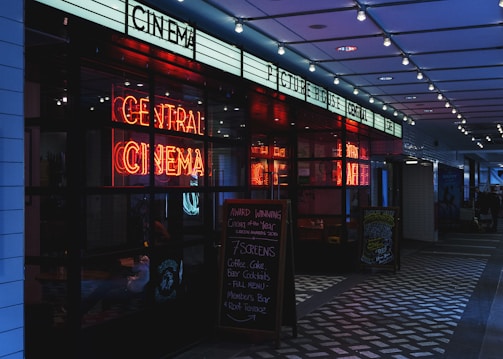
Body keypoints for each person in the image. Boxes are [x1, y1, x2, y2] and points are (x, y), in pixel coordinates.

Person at [81, 255, 150, 314]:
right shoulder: (144, 267)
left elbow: (136, 269)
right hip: (134, 283)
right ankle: (91, 307)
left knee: (105, 286)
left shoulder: (144, 266)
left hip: (134, 286)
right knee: (106, 286)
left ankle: (87, 308)